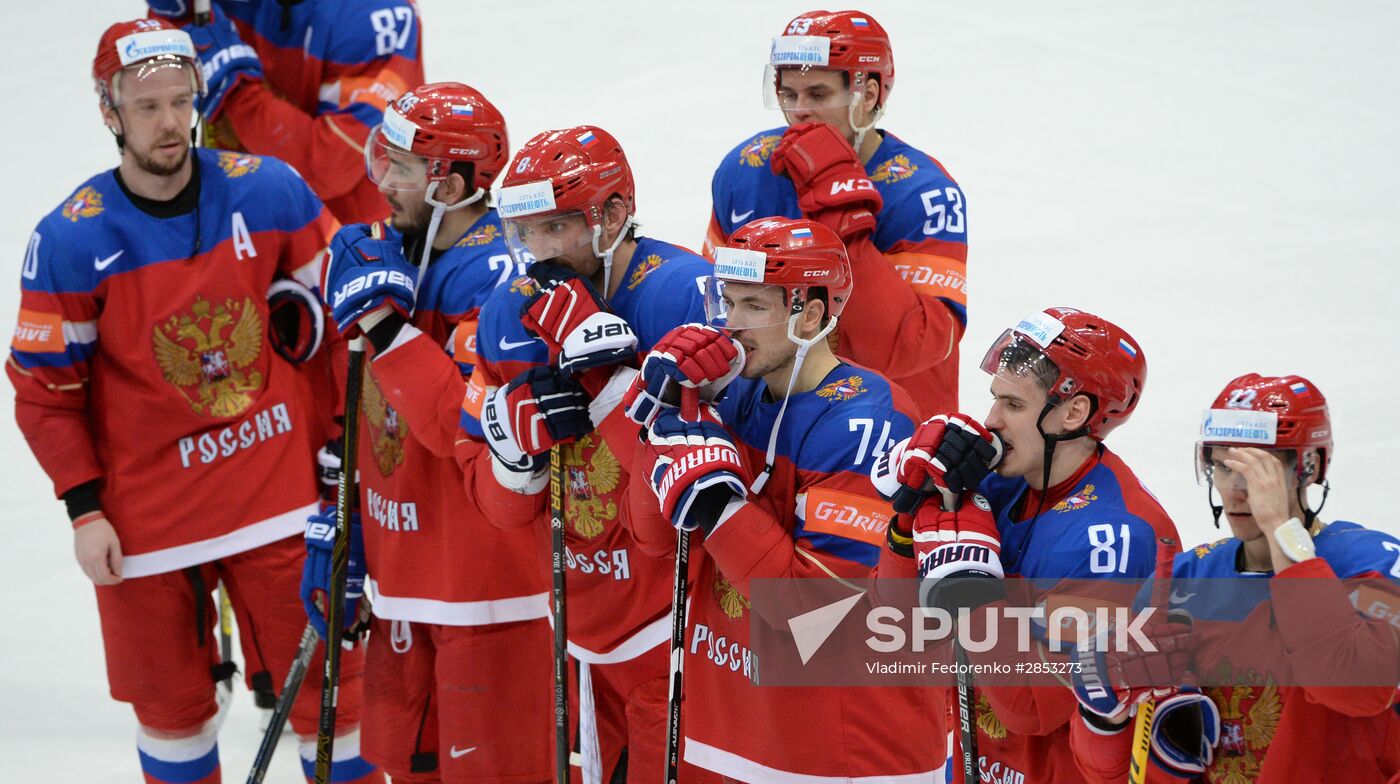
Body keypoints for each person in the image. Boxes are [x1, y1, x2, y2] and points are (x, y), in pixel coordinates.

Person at [6, 18, 378, 783]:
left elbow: (349, 320)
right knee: (170, 714)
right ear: (109, 112)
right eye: (147, 107)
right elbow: (44, 392)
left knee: (333, 699)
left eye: (181, 101)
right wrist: (84, 509)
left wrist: (344, 447)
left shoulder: (269, 189)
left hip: (276, 499)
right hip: (146, 522)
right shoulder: (70, 242)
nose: (170, 122)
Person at [623, 217, 947, 781]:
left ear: (813, 315)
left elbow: (824, 619)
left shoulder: (869, 424)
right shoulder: (732, 393)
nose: (730, 325)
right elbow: (650, 541)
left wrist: (718, 507)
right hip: (722, 734)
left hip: (840, 757)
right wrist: (662, 420)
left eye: (754, 306)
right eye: (726, 302)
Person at [309, 82, 556, 782]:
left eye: (402, 169)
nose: (381, 180)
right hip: (405, 579)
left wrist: (386, 330)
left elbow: (466, 429)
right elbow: (367, 412)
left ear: (450, 181)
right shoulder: (391, 247)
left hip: (491, 596)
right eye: (382, 159)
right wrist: (347, 521)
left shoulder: (505, 277)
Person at [461, 125, 716, 782]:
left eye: (556, 229)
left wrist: (612, 384)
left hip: (685, 624)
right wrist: (513, 457)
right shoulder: (506, 314)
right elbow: (495, 508)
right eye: (525, 232)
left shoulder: (685, 293)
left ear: (614, 214)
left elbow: (711, 486)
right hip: (582, 622)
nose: (538, 253)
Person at [876, 307, 1181, 783]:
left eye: (1014, 406)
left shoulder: (1115, 540)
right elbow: (897, 628)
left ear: (1074, 412)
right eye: (994, 398)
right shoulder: (1000, 481)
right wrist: (911, 513)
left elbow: (1034, 708)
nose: (991, 420)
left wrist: (968, 592)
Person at [1067, 374, 1400, 783]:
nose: (1237, 491)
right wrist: (1103, 716)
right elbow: (1114, 777)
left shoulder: (1372, 567)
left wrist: (1281, 528)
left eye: (1258, 472)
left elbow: (1357, 690)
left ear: (1309, 467)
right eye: (1223, 467)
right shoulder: (1186, 579)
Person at [705, 9, 967, 417]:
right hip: (766, 416)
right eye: (789, 94)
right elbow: (719, 303)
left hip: (890, 426)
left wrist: (844, 222)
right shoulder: (745, 170)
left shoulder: (922, 193)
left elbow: (920, 344)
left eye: (818, 95)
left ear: (870, 96)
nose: (799, 112)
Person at [147, 0, 424, 224]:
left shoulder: (378, 12)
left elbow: (330, 164)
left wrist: (236, 94)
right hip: (235, 215)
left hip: (347, 244)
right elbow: (155, 86)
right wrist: (174, 21)